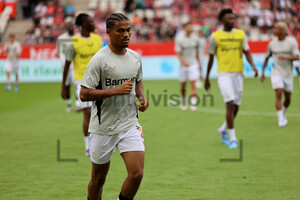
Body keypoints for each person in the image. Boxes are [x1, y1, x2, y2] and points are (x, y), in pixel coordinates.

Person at [80, 13, 149, 200]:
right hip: (103, 128)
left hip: (129, 124)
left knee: (137, 174)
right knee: (98, 179)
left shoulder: (135, 57)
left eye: (128, 30)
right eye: (121, 30)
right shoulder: (99, 60)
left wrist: (142, 97)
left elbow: (138, 81)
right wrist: (115, 91)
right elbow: (84, 93)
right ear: (109, 32)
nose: (126, 34)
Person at [204, 9, 258, 149]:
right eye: (229, 19)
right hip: (224, 75)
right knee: (229, 103)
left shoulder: (241, 34)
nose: (232, 21)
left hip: (238, 74)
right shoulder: (215, 36)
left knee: (236, 108)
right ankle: (233, 138)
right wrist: (207, 77)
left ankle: (222, 129)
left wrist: (253, 66)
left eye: (234, 18)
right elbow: (210, 58)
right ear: (222, 21)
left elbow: (247, 52)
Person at [61, 13, 102, 156]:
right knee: (88, 113)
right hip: (82, 81)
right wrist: (63, 86)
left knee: (101, 113)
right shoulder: (74, 42)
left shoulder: (97, 39)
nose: (93, 23)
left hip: (99, 81)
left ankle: (101, 143)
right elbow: (66, 65)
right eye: (91, 21)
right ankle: (88, 147)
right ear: (83, 24)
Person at [261, 22, 299, 127]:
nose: (273, 31)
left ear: (282, 31)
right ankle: (281, 120)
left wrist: (286, 57)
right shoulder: (271, 44)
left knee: (288, 99)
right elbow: (266, 57)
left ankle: (283, 112)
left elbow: (297, 57)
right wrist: (263, 73)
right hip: (276, 72)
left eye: (276, 29)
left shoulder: (291, 42)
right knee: (278, 92)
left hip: (288, 73)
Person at [175, 22, 201, 111]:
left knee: (193, 84)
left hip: (193, 64)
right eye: (189, 26)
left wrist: (199, 63)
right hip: (183, 66)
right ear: (185, 28)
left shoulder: (196, 39)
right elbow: (178, 53)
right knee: (183, 86)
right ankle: (183, 101)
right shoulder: (180, 39)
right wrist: (183, 61)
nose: (191, 28)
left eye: (191, 26)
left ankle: (193, 104)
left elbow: (197, 52)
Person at [57, 17, 75, 113]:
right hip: (66, 66)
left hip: (76, 65)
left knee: (78, 84)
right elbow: (60, 53)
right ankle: (68, 104)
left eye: (71, 24)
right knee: (67, 84)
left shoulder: (78, 37)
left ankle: (78, 103)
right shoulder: (61, 38)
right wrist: (64, 62)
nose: (70, 26)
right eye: (68, 24)